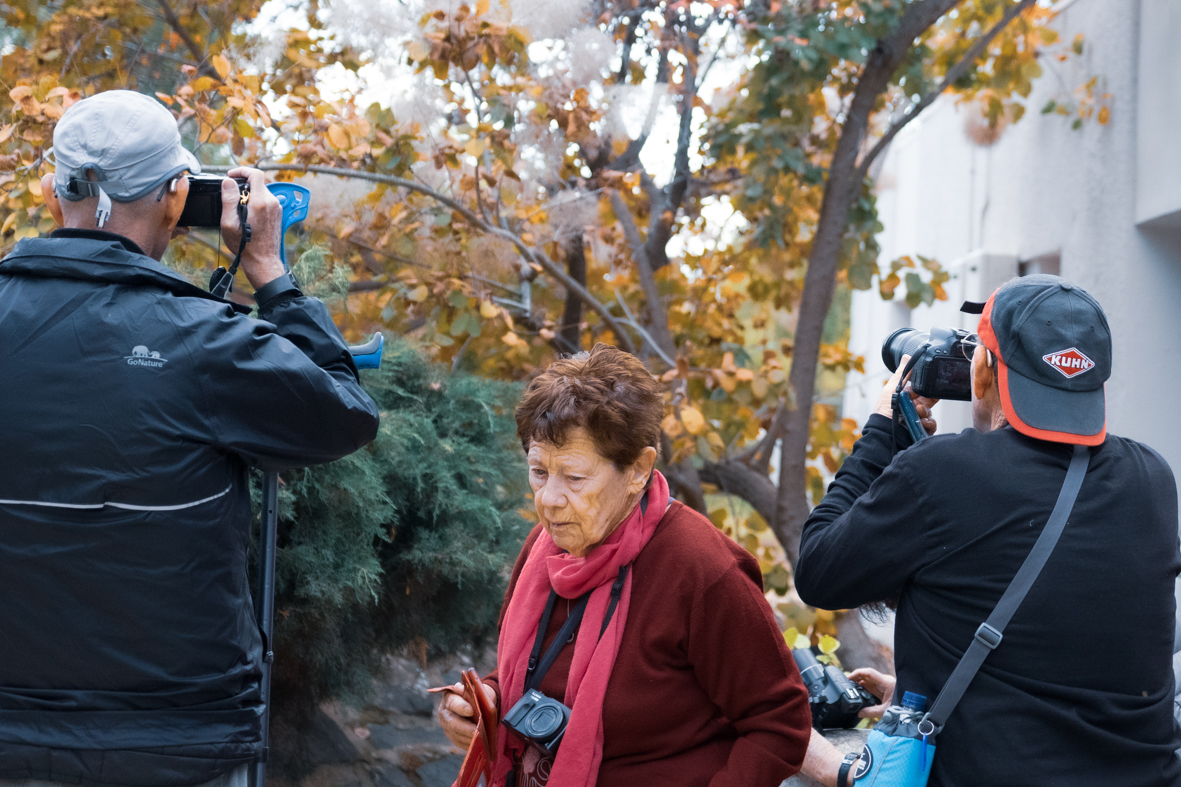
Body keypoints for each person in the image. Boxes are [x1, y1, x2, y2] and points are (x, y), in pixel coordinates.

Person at [0, 90, 380, 786]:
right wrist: (268, 272)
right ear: (177, 198)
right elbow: (345, 413)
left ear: (54, 194)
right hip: (178, 743)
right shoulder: (205, 341)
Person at [795, 275, 1181, 785]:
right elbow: (1070, 627)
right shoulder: (1152, 477)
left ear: (982, 373)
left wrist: (882, 429)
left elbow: (819, 570)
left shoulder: (944, 471)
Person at [437, 344, 812, 786]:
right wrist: (485, 703)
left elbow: (780, 723)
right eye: (539, 471)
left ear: (638, 469)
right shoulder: (544, 548)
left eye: (575, 477)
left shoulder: (701, 569)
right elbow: (536, 669)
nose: (549, 499)